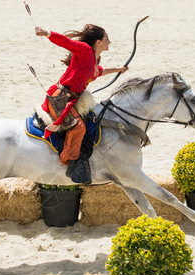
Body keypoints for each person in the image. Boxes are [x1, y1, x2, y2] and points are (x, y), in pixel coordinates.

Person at [34, 24, 128, 184]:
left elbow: (98, 71)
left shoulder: (95, 58)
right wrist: (47, 33)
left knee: (94, 119)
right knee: (78, 127)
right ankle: (69, 161)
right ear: (98, 42)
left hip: (72, 98)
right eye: (107, 39)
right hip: (60, 97)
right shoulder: (84, 49)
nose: (109, 42)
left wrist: (118, 69)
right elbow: (65, 42)